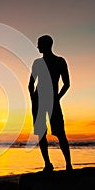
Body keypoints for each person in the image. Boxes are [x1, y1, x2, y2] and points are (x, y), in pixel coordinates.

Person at [28, 35, 72, 172]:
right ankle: (49, 164)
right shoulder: (38, 63)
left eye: (39, 44)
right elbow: (31, 84)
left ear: (47, 45)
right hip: (42, 100)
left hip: (49, 100)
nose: (37, 47)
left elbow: (67, 84)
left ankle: (68, 165)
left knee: (59, 132)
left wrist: (57, 98)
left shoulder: (59, 61)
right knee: (44, 133)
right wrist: (34, 99)